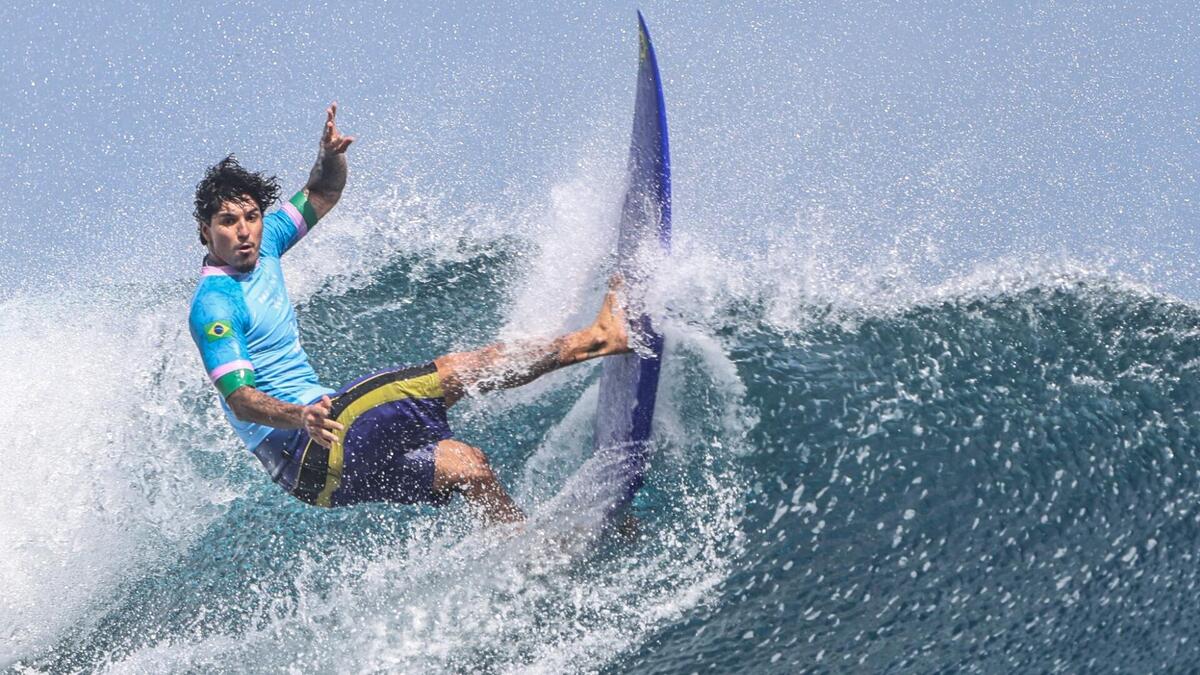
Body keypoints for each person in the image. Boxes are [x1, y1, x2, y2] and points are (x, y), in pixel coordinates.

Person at [188, 103, 629, 524]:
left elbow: (324, 191)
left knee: (467, 465)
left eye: (251, 216)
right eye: (228, 221)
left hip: (315, 477)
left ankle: (523, 550)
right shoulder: (215, 305)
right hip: (307, 442)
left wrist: (329, 156)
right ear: (206, 231)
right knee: (457, 371)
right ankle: (599, 338)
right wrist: (299, 416)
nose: (244, 230)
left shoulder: (264, 247)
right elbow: (241, 400)